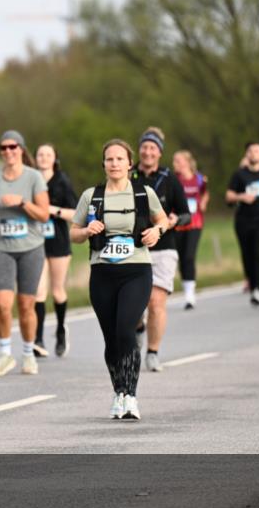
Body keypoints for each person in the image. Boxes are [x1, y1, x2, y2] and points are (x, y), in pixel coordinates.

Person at [70, 139, 169, 420]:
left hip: (136, 270)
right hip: (102, 272)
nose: (114, 164)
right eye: (109, 159)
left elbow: (163, 220)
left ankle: (131, 396)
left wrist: (156, 232)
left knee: (126, 330)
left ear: (129, 163)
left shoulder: (143, 193)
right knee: (112, 340)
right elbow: (73, 234)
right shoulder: (92, 196)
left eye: (119, 159)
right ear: (103, 164)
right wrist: (87, 231)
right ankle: (118, 393)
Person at [0, 130, 50, 376]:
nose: (8, 151)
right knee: (2, 304)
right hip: (3, 248)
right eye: (3, 148)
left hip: (31, 248)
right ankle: (4, 355)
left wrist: (22, 202)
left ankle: (29, 353)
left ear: (21, 149)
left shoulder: (33, 178)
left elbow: (43, 214)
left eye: (13, 147)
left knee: (25, 305)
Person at [129, 127, 190, 372]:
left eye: (152, 148)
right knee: (133, 306)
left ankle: (152, 352)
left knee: (155, 303)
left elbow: (186, 213)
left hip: (163, 247)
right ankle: (138, 328)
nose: (147, 151)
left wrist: (175, 220)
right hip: (132, 248)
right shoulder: (128, 176)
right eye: (144, 147)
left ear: (159, 153)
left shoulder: (169, 179)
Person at [33, 143, 77, 358]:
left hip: (58, 241)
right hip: (36, 242)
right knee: (38, 292)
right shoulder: (30, 179)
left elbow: (76, 213)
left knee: (57, 291)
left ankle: (60, 330)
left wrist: (52, 210)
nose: (43, 157)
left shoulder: (62, 181)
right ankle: (38, 339)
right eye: (40, 154)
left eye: (48, 154)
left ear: (54, 158)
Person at [225, 141, 259, 307]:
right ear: (247, 155)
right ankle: (253, 284)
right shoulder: (240, 175)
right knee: (248, 257)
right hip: (244, 220)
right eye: (251, 151)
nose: (254, 153)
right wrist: (241, 197)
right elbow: (229, 196)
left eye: (257, 150)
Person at [173, 150, 209, 309]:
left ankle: (190, 295)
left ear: (187, 162)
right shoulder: (174, 180)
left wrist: (204, 203)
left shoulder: (200, 178)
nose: (176, 164)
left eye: (179, 161)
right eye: (174, 161)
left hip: (195, 222)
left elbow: (205, 193)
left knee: (189, 256)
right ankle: (186, 287)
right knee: (181, 257)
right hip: (179, 223)